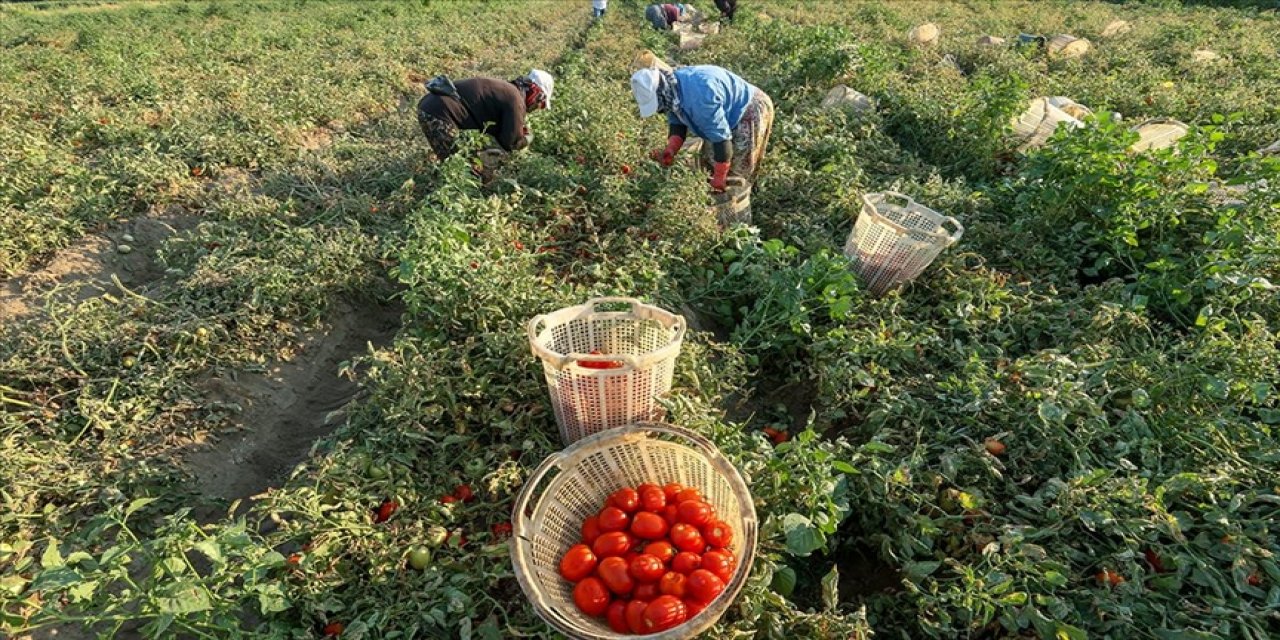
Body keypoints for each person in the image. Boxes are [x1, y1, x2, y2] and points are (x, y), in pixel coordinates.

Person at [631, 64, 774, 192]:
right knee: (710, 162)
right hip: (721, 107)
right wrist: (671, 148)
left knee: (738, 168)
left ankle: (739, 207)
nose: (660, 110)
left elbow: (721, 140)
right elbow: (677, 121)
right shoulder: (672, 90)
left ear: (661, 93)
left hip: (750, 107)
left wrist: (720, 176)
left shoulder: (700, 98)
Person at [416, 70, 554, 162]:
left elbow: (494, 129)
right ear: (536, 94)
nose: (536, 108)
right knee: (457, 166)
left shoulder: (507, 90)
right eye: (540, 104)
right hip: (439, 114)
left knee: (462, 159)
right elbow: (510, 143)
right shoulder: (516, 100)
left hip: (432, 107)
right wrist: (527, 138)